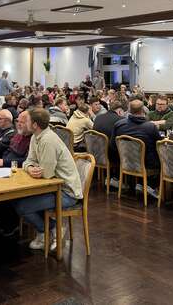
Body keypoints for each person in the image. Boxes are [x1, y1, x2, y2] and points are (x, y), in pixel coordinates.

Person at [13, 108, 83, 251]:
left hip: (67, 193)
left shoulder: (48, 140)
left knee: (22, 206)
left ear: (35, 125)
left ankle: (49, 230)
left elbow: (46, 174)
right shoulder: (36, 137)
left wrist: (33, 169)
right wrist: (30, 168)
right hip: (52, 188)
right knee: (17, 200)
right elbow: (28, 161)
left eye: (27, 121)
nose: (23, 123)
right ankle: (51, 229)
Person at [111, 99, 163, 171]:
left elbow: (113, 145)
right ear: (142, 110)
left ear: (129, 110)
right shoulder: (150, 127)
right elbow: (160, 146)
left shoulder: (119, 125)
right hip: (146, 165)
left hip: (125, 162)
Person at [93, 100, 126, 168]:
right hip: (111, 156)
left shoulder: (98, 117)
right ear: (120, 111)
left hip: (97, 152)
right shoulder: (121, 120)